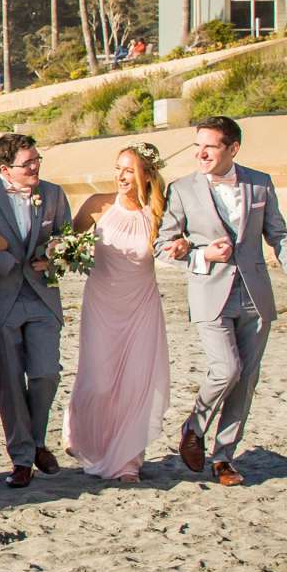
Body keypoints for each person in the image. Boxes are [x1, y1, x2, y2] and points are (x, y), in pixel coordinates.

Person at [155, 116, 287, 486]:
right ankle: (194, 426)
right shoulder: (182, 189)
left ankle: (224, 458)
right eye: (197, 146)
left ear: (233, 149)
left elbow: (279, 235)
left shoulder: (260, 183)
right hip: (209, 291)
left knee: (246, 380)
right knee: (226, 369)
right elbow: (164, 246)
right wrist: (201, 254)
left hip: (255, 293)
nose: (201, 153)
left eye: (210, 146)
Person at [0, 134, 73, 488]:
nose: (35, 167)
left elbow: (65, 236)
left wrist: (56, 251)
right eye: (27, 163)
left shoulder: (54, 194)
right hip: (1, 296)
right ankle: (23, 457)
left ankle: (37, 439)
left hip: (43, 295)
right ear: (4, 169)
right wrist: (8, 257)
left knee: (46, 373)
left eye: (37, 159)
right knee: (10, 382)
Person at [62, 145, 171, 481]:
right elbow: (66, 242)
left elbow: (173, 250)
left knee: (135, 384)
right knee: (99, 382)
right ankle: (81, 436)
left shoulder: (159, 214)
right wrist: (61, 252)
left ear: (147, 174)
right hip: (101, 306)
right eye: (118, 168)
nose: (122, 176)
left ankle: (127, 462)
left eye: (129, 170)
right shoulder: (98, 206)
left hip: (141, 307)